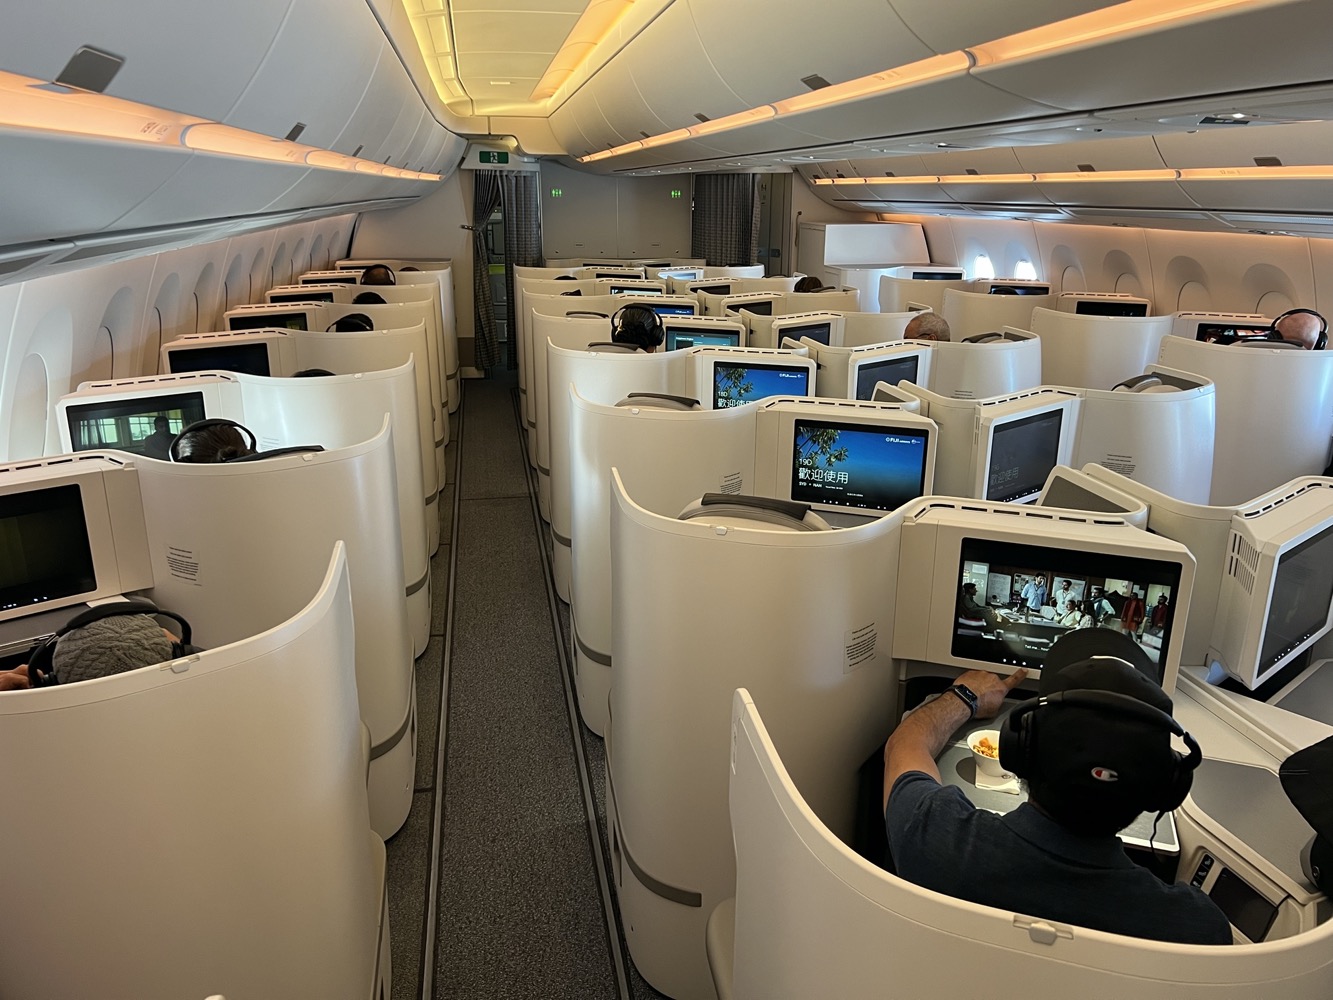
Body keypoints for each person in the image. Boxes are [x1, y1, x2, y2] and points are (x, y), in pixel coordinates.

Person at [883, 630, 1232, 945]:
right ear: (1162, 786)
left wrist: (965, 695)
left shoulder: (933, 839)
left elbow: (905, 745)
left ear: (1022, 748)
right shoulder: (1197, 930)